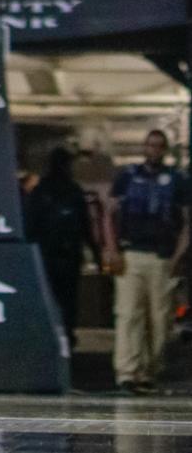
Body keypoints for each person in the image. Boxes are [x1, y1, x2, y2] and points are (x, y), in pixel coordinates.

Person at [106, 126, 190, 393]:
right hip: (131, 254)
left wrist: (179, 255)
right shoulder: (128, 177)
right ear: (144, 148)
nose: (153, 150)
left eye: (158, 146)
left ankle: (149, 370)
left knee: (160, 320)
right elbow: (109, 214)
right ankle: (127, 373)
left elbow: (187, 222)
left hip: (162, 257)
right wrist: (112, 250)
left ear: (164, 150)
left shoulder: (177, 180)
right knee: (129, 315)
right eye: (150, 145)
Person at [25, 144, 99, 357]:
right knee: (67, 301)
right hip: (67, 255)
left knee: (51, 299)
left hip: (48, 256)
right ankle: (65, 337)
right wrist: (95, 253)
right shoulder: (72, 191)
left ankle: (51, 337)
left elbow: (30, 225)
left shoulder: (41, 191)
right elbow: (85, 226)